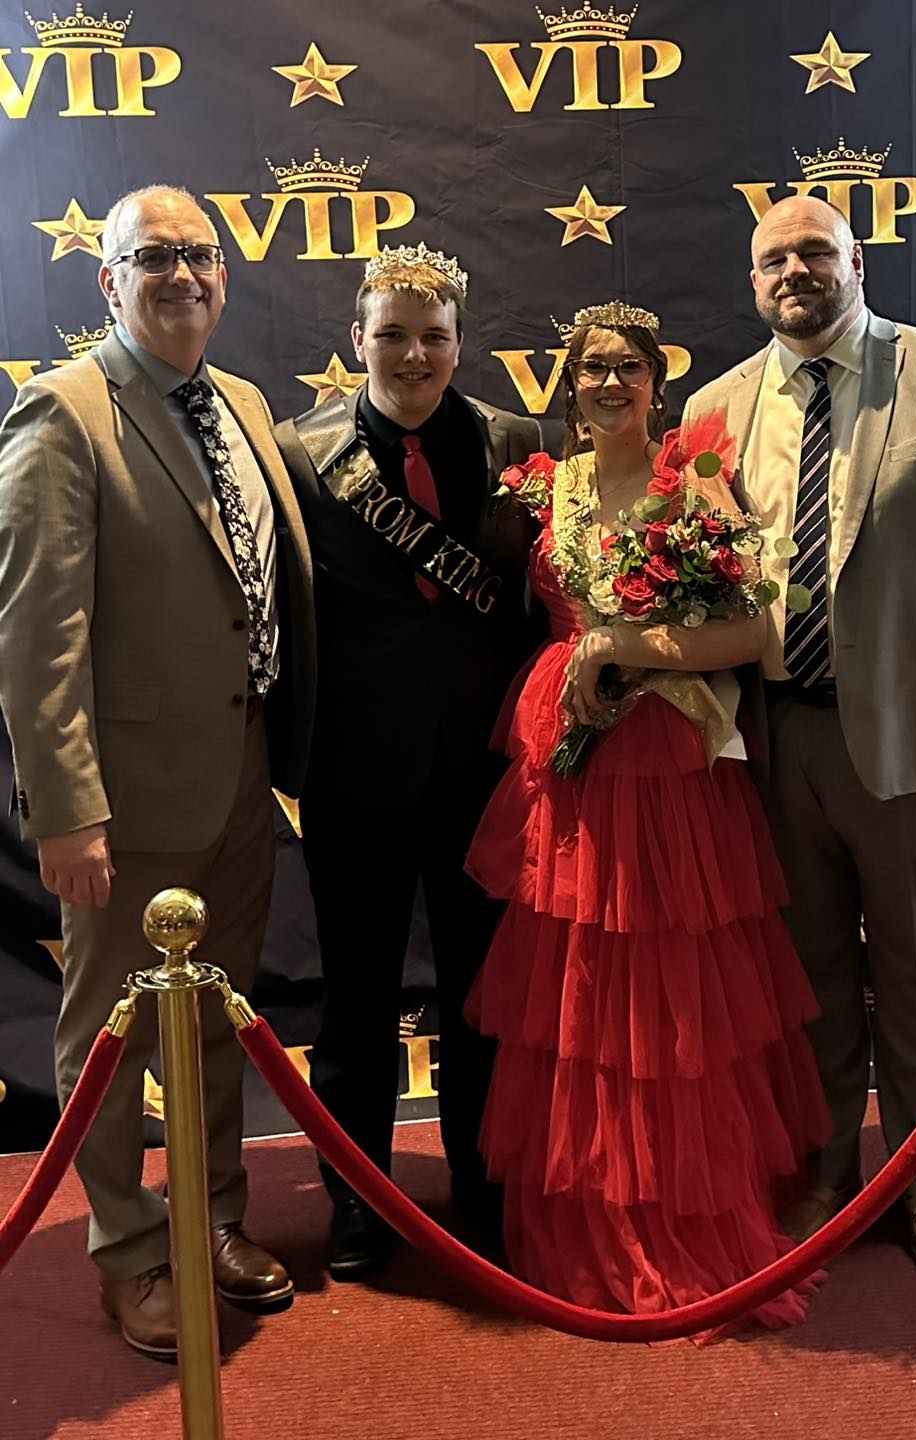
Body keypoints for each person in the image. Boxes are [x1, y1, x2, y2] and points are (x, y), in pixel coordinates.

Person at [681, 195, 916, 1276]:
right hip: (772, 737)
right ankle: (823, 1173)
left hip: (908, 732)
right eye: (770, 260)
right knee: (802, 968)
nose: (791, 271)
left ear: (856, 261)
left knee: (915, 961)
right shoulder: (715, 408)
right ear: (750, 282)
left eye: (813, 251)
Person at [463, 300, 831, 1331]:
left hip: (671, 768)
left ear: (655, 385)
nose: (609, 383)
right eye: (590, 369)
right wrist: (586, 659)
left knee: (671, 1000)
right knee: (578, 997)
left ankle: (682, 1211)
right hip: (567, 768)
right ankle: (586, 1215)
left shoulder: (692, 484)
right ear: (567, 387)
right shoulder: (547, 486)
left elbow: (753, 630)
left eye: (627, 367)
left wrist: (627, 649)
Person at [0, 186, 316, 1355]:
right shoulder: (64, 413)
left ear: (225, 274)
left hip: (240, 777)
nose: (181, 275)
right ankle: (132, 1254)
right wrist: (69, 813)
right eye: (153, 258)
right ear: (108, 282)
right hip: (127, 802)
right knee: (112, 1040)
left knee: (217, 1017)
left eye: (199, 255)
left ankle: (215, 1219)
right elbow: (39, 638)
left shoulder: (236, 398)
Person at [275, 243, 544, 1280]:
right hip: (355, 781)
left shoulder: (522, 444)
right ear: (356, 341)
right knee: (353, 1008)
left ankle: (482, 1189)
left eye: (433, 336)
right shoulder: (302, 455)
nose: (413, 354)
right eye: (390, 334)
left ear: (460, 343)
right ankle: (358, 1202)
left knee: (484, 1002)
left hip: (487, 780)